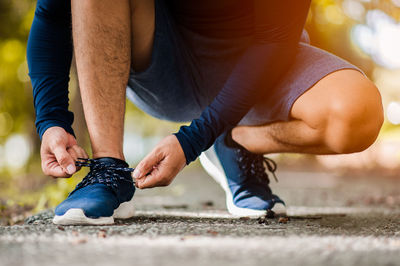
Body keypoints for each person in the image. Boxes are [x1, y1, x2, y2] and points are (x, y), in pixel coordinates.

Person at [27, 0, 383, 225]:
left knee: (358, 112)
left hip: (261, 63)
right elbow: (52, 13)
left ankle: (235, 140)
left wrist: (196, 139)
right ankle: (109, 169)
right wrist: (51, 120)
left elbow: (275, 41)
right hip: (161, 63)